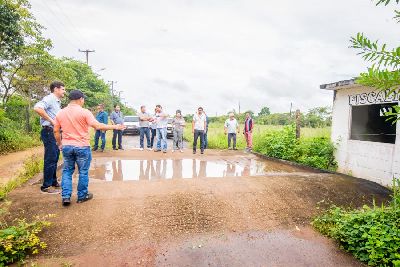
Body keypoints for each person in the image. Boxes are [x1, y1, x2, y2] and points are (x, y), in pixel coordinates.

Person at [53, 90, 125, 206]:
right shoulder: (84, 112)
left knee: (67, 171)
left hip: (67, 146)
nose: (83, 101)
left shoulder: (60, 113)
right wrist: (115, 126)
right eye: (83, 99)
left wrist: (60, 144)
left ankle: (66, 196)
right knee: (83, 171)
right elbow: (97, 126)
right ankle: (82, 196)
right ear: (80, 99)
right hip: (82, 146)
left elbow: (56, 130)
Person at [33, 81, 66, 194]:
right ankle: (46, 186)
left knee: (55, 157)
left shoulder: (57, 102)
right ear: (56, 89)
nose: (64, 91)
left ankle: (53, 182)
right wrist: (51, 121)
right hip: (49, 132)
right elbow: (37, 108)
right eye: (63, 89)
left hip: (54, 132)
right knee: (50, 158)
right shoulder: (50, 98)